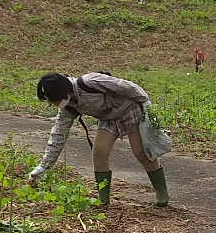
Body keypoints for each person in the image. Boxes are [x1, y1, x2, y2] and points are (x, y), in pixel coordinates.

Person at [29, 72, 169, 206]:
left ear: (63, 91)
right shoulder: (68, 107)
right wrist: (43, 167)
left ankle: (161, 192)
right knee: (99, 153)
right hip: (108, 119)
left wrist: (145, 104)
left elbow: (128, 87)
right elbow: (58, 135)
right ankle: (103, 199)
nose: (55, 105)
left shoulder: (91, 82)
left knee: (141, 152)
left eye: (54, 100)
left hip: (129, 111)